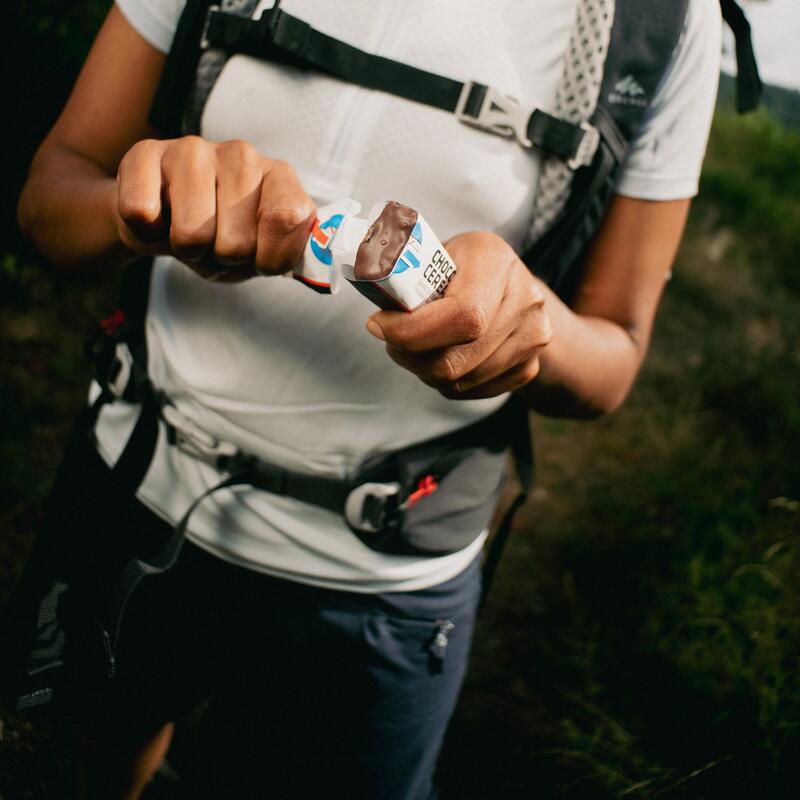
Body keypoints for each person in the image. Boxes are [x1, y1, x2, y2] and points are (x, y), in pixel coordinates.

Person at [15, 0, 722, 797]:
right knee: (105, 740)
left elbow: (616, 350)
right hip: (138, 481)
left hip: (383, 580)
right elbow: (52, 194)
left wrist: (533, 326)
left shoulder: (661, 21)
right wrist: (131, 209)